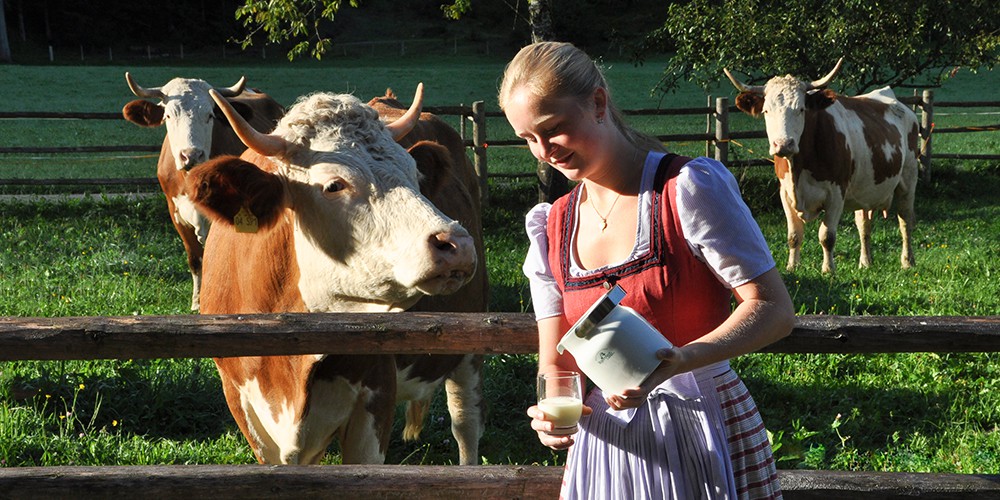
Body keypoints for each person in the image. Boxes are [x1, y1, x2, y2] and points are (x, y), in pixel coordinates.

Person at [499, 41, 795, 499]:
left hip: (703, 424)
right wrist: (550, 416)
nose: (544, 152)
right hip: (609, 450)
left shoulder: (685, 188)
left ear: (598, 103)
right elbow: (557, 364)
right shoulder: (550, 226)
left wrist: (683, 359)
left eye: (553, 129)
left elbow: (773, 308)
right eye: (527, 139)